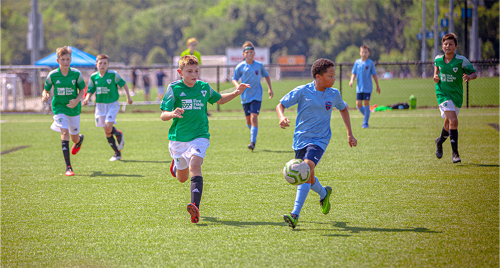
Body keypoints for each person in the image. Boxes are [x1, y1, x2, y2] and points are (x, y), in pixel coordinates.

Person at [160, 55, 249, 224]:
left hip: (200, 135)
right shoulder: (174, 89)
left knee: (195, 165)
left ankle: (195, 206)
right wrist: (172, 113)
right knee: (182, 178)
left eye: (196, 71)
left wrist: (237, 93)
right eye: (190, 71)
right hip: (178, 138)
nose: (194, 74)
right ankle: (175, 164)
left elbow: (220, 100)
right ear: (180, 72)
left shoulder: (203, 87)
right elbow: (163, 115)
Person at [276, 58, 357, 229]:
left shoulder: (334, 94)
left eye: (334, 75)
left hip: (320, 140)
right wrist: (282, 117)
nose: (334, 79)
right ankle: (324, 193)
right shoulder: (303, 91)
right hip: (300, 140)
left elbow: (343, 108)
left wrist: (350, 133)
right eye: (331, 75)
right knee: (308, 176)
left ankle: (295, 214)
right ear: (318, 77)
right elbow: (280, 105)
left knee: (306, 168)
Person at [41, 46, 86, 176]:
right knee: (64, 132)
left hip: (73, 109)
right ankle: (68, 167)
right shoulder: (52, 75)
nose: (66, 62)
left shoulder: (76, 74)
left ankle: (79, 140)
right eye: (63, 59)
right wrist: (45, 95)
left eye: (68, 59)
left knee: (75, 138)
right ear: (58, 60)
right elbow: (46, 89)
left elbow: (82, 90)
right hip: (59, 108)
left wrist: (77, 100)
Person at [433, 33, 477, 163]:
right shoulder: (438, 59)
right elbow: (436, 66)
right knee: (454, 120)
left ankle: (439, 142)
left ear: (455, 46)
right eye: (445, 44)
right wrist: (435, 75)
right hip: (442, 94)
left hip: (456, 96)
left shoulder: (461, 60)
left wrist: (470, 77)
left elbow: (474, 73)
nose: (448, 46)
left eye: (451, 44)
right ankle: (455, 153)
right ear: (442, 46)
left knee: (448, 123)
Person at [82, 54, 133, 161]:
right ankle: (117, 152)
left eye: (105, 63)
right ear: (96, 64)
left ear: (108, 64)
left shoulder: (113, 74)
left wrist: (128, 96)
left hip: (112, 104)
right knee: (106, 131)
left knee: (108, 127)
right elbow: (90, 90)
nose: (102, 65)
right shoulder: (93, 77)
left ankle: (118, 134)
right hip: (100, 105)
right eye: (100, 63)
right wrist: (86, 98)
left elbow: (124, 84)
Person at [232, 41, 273, 151]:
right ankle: (252, 134)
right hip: (245, 97)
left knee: (254, 117)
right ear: (243, 54)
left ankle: (252, 142)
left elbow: (267, 76)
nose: (249, 54)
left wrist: (270, 89)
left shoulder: (259, 65)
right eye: (247, 52)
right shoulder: (240, 67)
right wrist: (238, 86)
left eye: (251, 52)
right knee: (248, 120)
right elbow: (234, 79)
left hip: (257, 96)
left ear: (254, 53)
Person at [349, 45, 381, 128]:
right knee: (358, 105)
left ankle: (365, 123)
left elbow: (374, 75)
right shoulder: (357, 62)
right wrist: (351, 80)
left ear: (368, 53)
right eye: (362, 52)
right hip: (359, 88)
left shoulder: (370, 63)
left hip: (367, 88)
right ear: (360, 53)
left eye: (365, 52)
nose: (364, 54)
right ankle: (367, 115)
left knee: (366, 103)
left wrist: (377, 86)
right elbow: (354, 73)